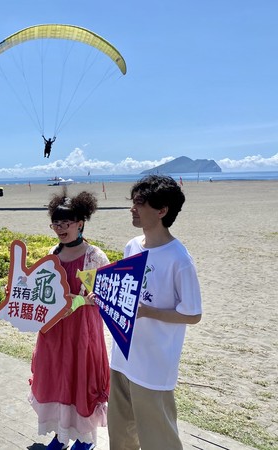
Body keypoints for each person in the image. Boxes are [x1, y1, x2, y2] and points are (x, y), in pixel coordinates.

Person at [107, 175, 203, 450]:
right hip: (122, 357)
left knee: (159, 439)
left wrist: (149, 312)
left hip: (153, 364)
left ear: (162, 211)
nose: (132, 209)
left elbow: (192, 314)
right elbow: (127, 292)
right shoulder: (132, 246)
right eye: (133, 201)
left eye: (140, 203)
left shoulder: (179, 259)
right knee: (121, 436)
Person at [30, 190, 110, 450]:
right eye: (56, 223)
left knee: (81, 380)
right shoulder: (52, 253)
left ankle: (85, 438)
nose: (60, 228)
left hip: (82, 331)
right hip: (53, 330)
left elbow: (104, 297)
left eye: (66, 223)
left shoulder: (94, 256)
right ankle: (62, 433)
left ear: (80, 223)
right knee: (56, 378)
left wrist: (81, 299)